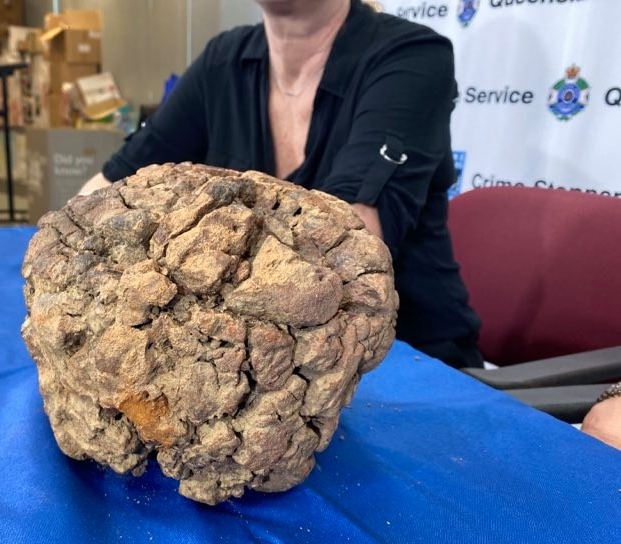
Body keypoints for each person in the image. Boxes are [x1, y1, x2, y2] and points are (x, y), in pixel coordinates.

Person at [78, 0, 484, 369]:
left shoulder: (412, 57)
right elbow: (108, 188)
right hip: (257, 364)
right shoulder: (224, 60)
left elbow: (342, 252)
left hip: (407, 364)